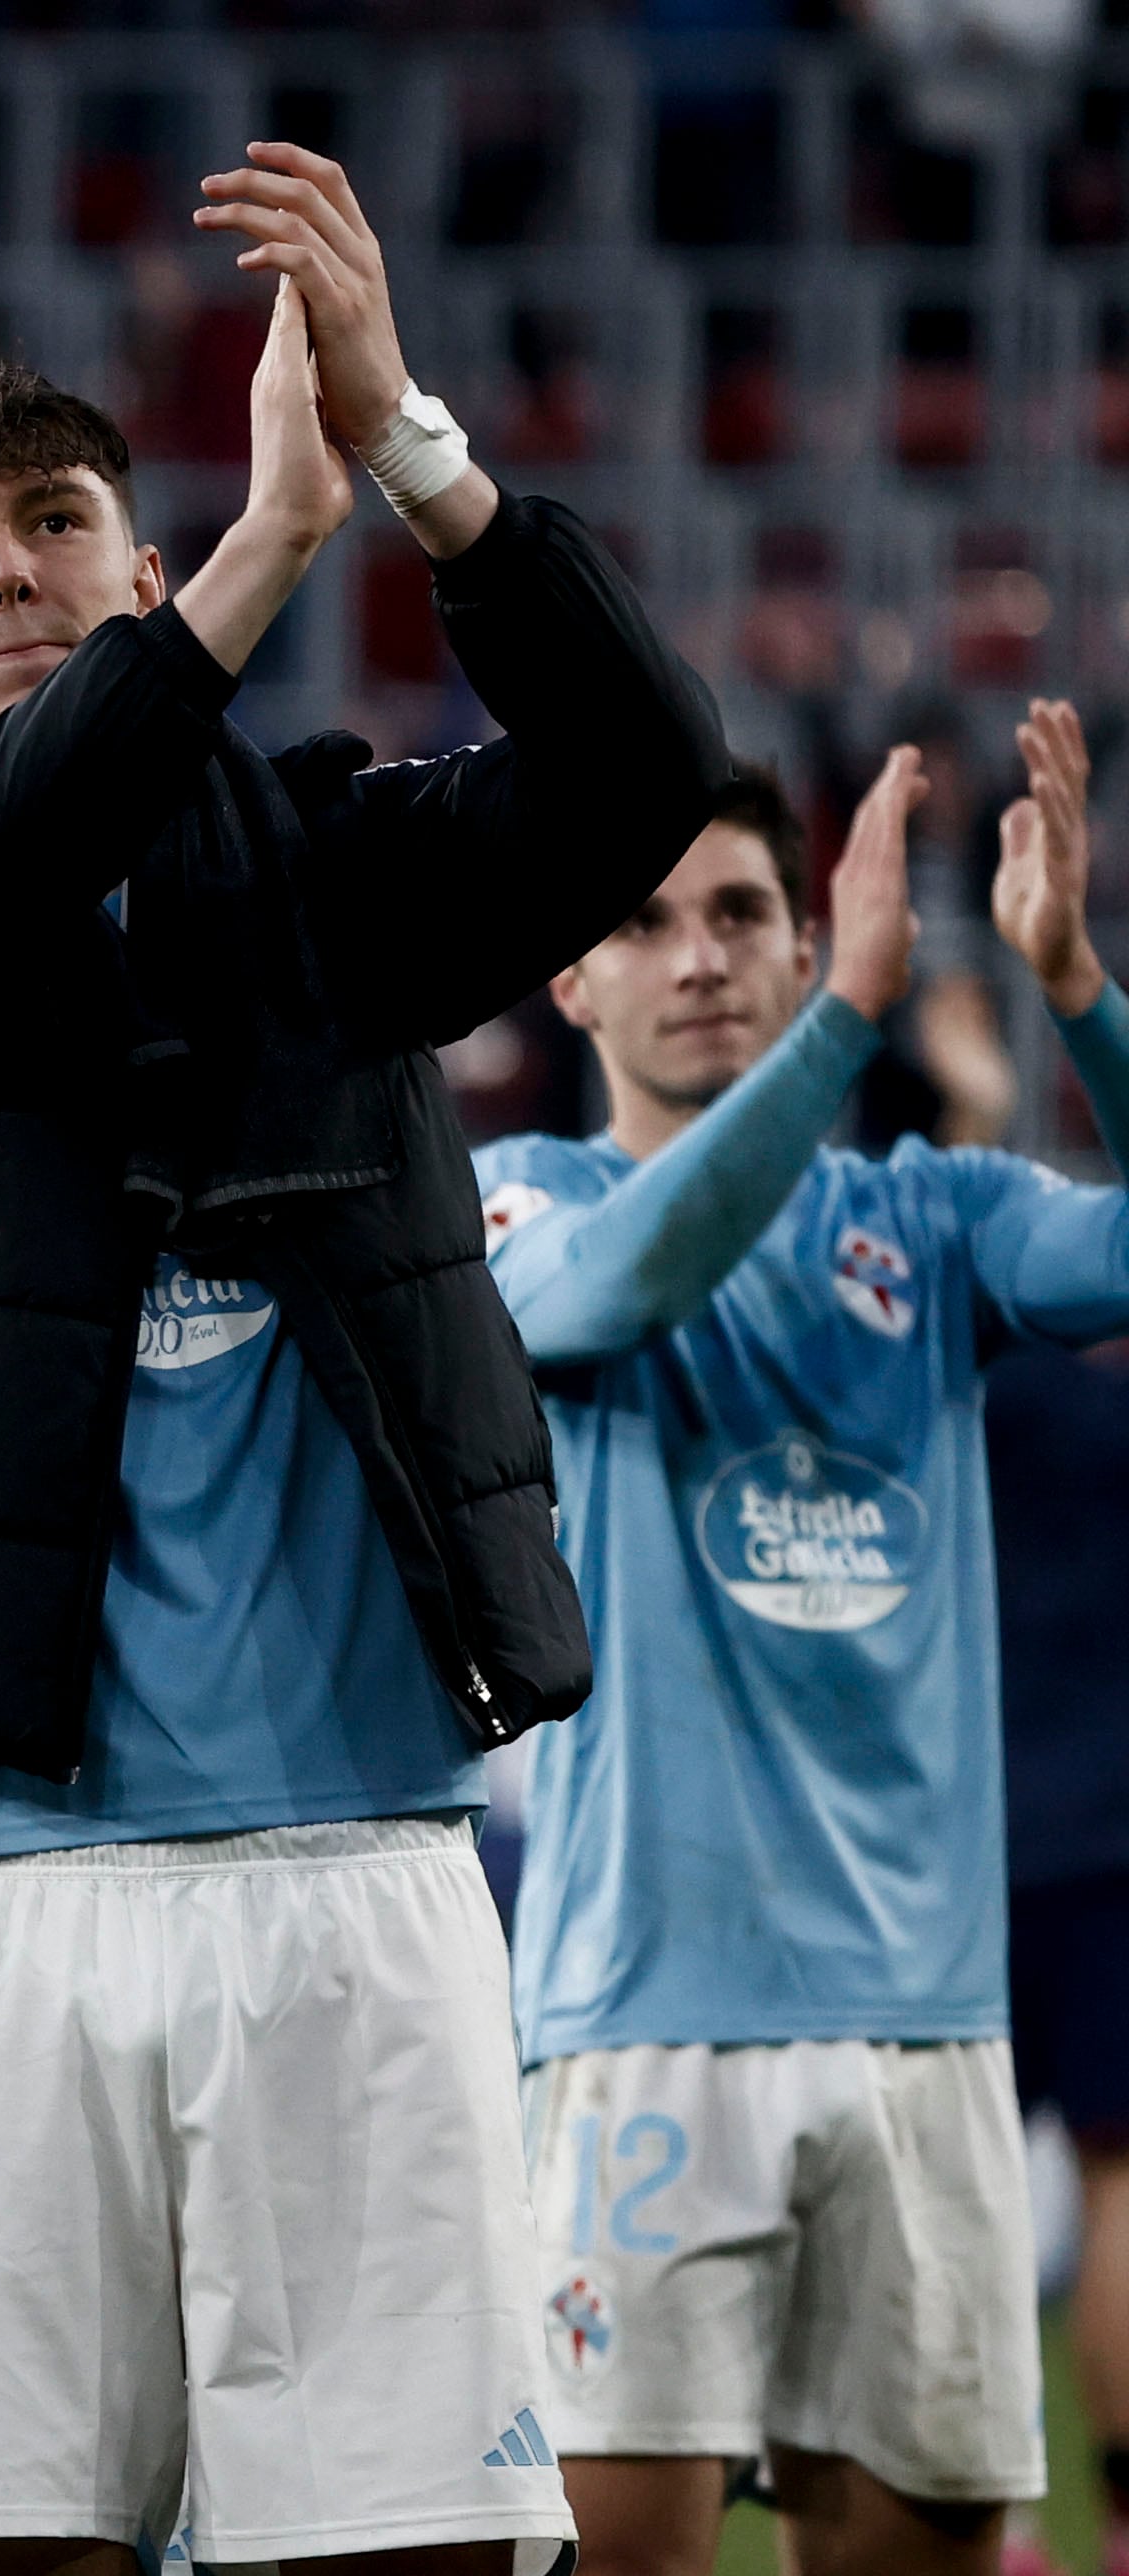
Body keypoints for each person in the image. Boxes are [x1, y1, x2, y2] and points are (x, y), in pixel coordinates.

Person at [0, 143, 729, 2571]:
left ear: (121, 567)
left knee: (419, 2552)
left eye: (55, 516)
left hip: (354, 1863)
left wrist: (416, 464)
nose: (4, 565)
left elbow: (643, 778)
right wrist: (258, 564)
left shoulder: (330, 887)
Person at [481, 722, 1129, 2576]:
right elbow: (617, 1297)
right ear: (572, 974)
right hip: (641, 2026)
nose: (698, 954)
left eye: (743, 912)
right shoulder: (525, 1198)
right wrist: (845, 1033)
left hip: (920, 2034)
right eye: (647, 919)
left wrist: (1075, 987)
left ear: (795, 937)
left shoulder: (929, 1222)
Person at [991, 1329, 1129, 2576]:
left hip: (962, 1848)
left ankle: (998, 2523)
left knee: (966, 2190)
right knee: (1114, 2187)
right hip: (1109, 1845)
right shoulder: (1104, 1415)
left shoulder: (967, 1381)